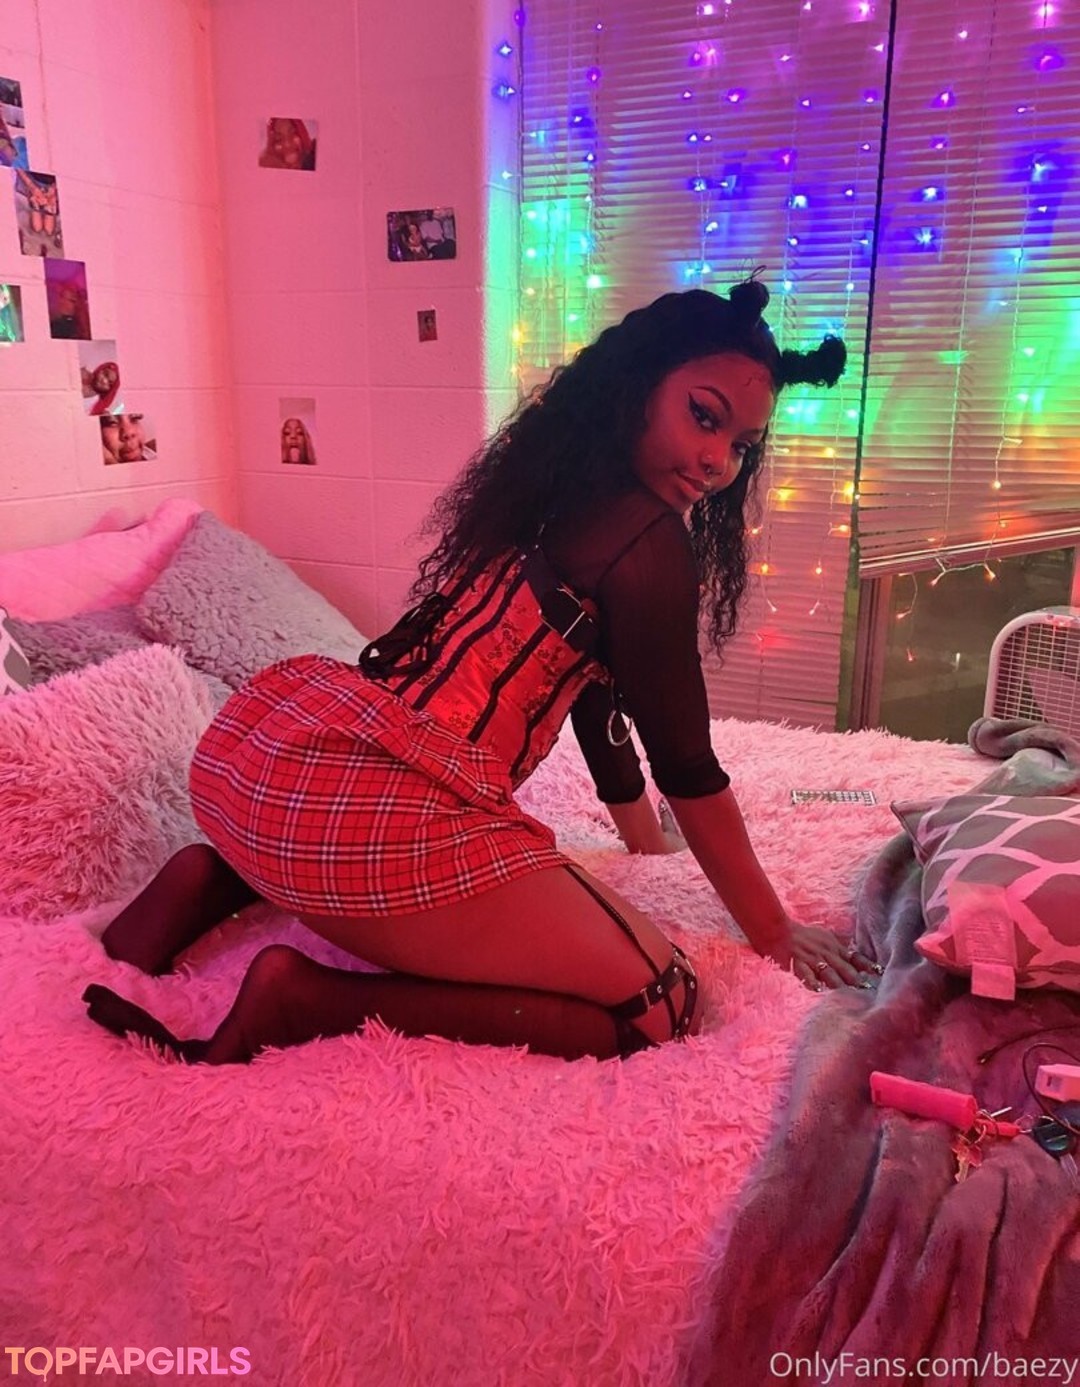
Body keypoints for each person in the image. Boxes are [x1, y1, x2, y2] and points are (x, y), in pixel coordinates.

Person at [83, 277, 878, 1069]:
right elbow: (688, 766)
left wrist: (641, 837)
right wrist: (773, 930)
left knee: (344, 829)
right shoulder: (646, 541)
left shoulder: (556, 490)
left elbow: (589, 684)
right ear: (640, 386)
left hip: (276, 768)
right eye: (704, 416)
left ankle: (216, 878)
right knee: (661, 1002)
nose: (716, 460)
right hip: (392, 807)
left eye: (740, 446)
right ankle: (307, 998)